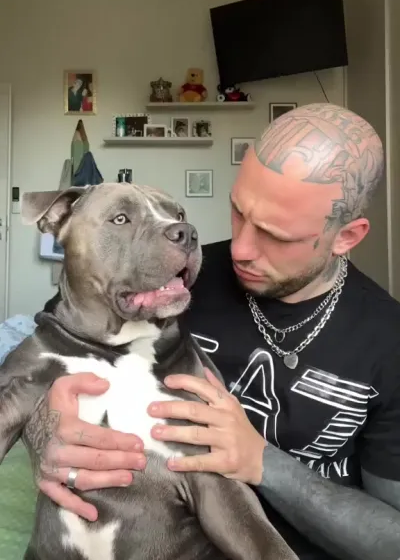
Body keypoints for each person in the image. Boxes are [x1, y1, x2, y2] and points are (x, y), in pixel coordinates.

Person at [20, 104, 400, 560]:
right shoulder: (169, 279)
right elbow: (50, 351)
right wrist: (45, 433)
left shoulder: (388, 341)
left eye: (277, 235)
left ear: (347, 237)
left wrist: (262, 462)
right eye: (238, 212)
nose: (240, 249)